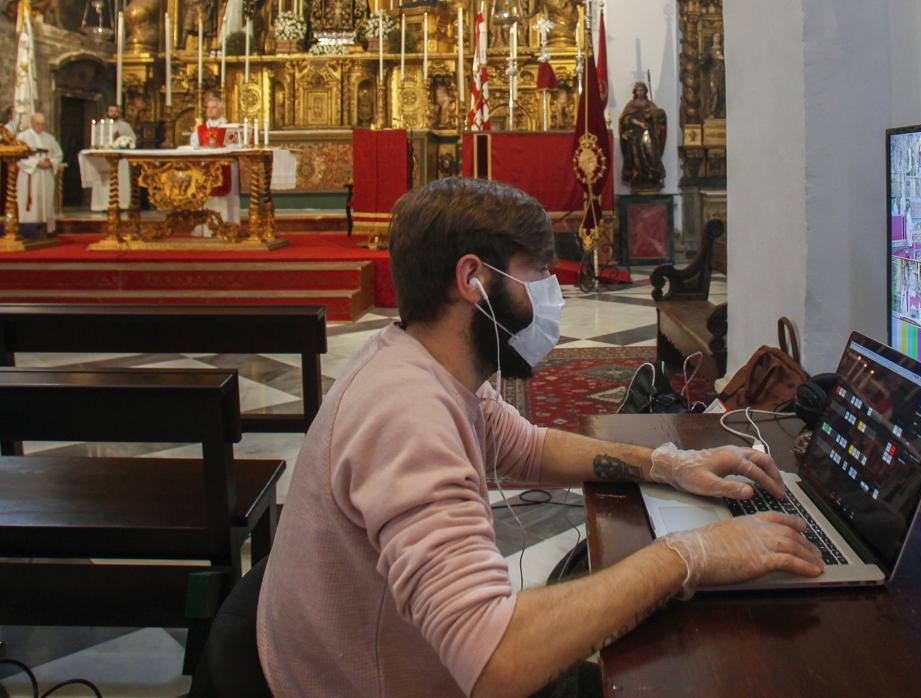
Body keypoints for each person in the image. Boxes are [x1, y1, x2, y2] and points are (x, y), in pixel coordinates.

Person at [256, 177, 824, 697]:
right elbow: (495, 659)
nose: (551, 293)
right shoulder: (407, 413)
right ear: (472, 279)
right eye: (535, 272)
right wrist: (690, 554)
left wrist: (667, 463)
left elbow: (527, 446)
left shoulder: (426, 361)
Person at [189, 95, 239, 237]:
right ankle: (206, 229)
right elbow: (194, 147)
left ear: (221, 109)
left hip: (225, 167)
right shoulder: (200, 129)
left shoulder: (229, 127)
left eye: (214, 107)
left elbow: (237, 146)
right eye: (208, 107)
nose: (210, 110)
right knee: (207, 199)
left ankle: (228, 227)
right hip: (206, 169)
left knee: (226, 199)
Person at [16, 112, 62, 239]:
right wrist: (36, 163)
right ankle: (27, 230)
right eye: (38, 124)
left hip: (45, 176)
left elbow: (58, 154)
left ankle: (47, 229)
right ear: (32, 123)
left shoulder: (49, 138)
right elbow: (18, 157)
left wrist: (50, 162)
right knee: (31, 202)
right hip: (30, 176)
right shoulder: (22, 137)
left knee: (45, 201)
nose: (40, 127)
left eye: (43, 124)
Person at [618, 82, 667, 192]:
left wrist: (656, 115)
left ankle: (653, 174)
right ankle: (639, 174)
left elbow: (659, 118)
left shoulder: (650, 104)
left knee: (651, 152)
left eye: (642, 90)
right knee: (635, 152)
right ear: (635, 92)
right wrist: (638, 123)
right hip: (635, 135)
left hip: (647, 133)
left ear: (645, 91)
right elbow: (624, 120)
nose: (640, 92)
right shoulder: (630, 105)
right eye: (638, 90)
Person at [88, 104, 136, 211]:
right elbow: (95, 140)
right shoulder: (100, 125)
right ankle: (101, 205)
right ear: (107, 112)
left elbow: (132, 140)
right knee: (104, 182)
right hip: (104, 157)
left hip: (120, 158)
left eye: (115, 111)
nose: (113, 114)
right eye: (111, 111)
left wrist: (123, 141)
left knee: (121, 180)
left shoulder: (125, 126)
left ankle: (122, 204)